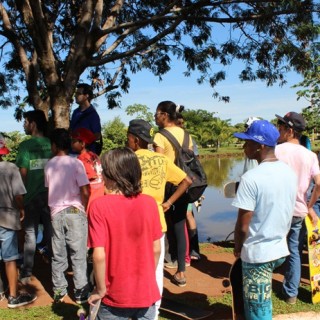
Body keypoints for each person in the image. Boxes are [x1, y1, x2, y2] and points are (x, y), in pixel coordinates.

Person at [232, 120, 297, 320]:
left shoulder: (251, 178)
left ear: (259, 146)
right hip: (279, 248)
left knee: (258, 310)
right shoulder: (288, 171)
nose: (244, 147)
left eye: (247, 142)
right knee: (260, 302)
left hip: (258, 254)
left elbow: (243, 225)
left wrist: (237, 247)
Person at [87, 147, 162, 320]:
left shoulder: (99, 206)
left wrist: (100, 289)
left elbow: (99, 255)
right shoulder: (150, 203)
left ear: (110, 175)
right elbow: (156, 249)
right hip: (146, 292)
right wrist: (147, 279)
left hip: (114, 295)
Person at [127, 119, 191, 315]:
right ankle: (152, 311)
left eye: (128, 138)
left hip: (132, 221)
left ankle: (133, 304)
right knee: (155, 269)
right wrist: (168, 203)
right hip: (156, 221)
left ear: (135, 140)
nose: (127, 141)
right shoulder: (161, 159)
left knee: (133, 265)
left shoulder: (128, 160)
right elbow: (187, 180)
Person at [275, 111, 320, 304]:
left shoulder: (276, 151)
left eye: (281, 127)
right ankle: (291, 294)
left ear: (289, 131)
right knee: (294, 249)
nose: (278, 130)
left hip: (275, 210)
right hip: (298, 211)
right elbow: (318, 184)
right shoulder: (310, 155)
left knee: (272, 246)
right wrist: (309, 206)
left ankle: (261, 283)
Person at [44, 128, 90, 303]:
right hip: (75, 211)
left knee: (58, 253)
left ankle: (59, 290)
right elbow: (85, 190)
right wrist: (83, 209)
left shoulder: (49, 164)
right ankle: (80, 291)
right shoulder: (76, 163)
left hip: (56, 213)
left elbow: (50, 189)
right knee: (78, 253)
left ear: (55, 146)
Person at [153, 101, 193, 287]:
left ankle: (160, 264)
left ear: (165, 115)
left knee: (162, 227)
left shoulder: (160, 136)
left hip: (167, 185)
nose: (155, 117)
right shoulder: (186, 134)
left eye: (157, 113)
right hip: (184, 185)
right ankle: (181, 272)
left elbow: (158, 164)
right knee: (179, 226)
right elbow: (191, 160)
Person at [0, 133, 37, 308]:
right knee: (10, 258)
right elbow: (18, 195)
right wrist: (21, 209)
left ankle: (1, 291)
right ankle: (13, 297)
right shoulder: (10, 168)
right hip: (7, 218)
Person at [16, 110, 52, 284]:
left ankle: (26, 273)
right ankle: (56, 270)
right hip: (51, 197)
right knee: (52, 233)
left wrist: (20, 200)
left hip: (30, 198)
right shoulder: (51, 144)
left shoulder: (25, 146)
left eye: (26, 121)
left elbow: (22, 175)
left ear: (33, 124)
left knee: (30, 234)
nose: (24, 125)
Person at [176, 113, 201, 261]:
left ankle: (189, 252)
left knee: (185, 215)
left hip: (182, 182)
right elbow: (196, 162)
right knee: (188, 215)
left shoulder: (170, 138)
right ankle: (193, 250)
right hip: (189, 180)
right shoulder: (188, 138)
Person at [71, 127, 105, 209]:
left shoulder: (82, 159)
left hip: (91, 197)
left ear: (82, 143)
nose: (71, 144)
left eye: (74, 141)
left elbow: (91, 176)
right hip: (100, 193)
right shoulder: (94, 155)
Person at [70, 83, 102, 154]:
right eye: (76, 93)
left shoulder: (93, 114)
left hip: (87, 154)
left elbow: (97, 135)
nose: (75, 95)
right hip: (73, 154)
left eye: (78, 93)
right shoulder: (75, 112)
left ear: (86, 96)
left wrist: (84, 140)